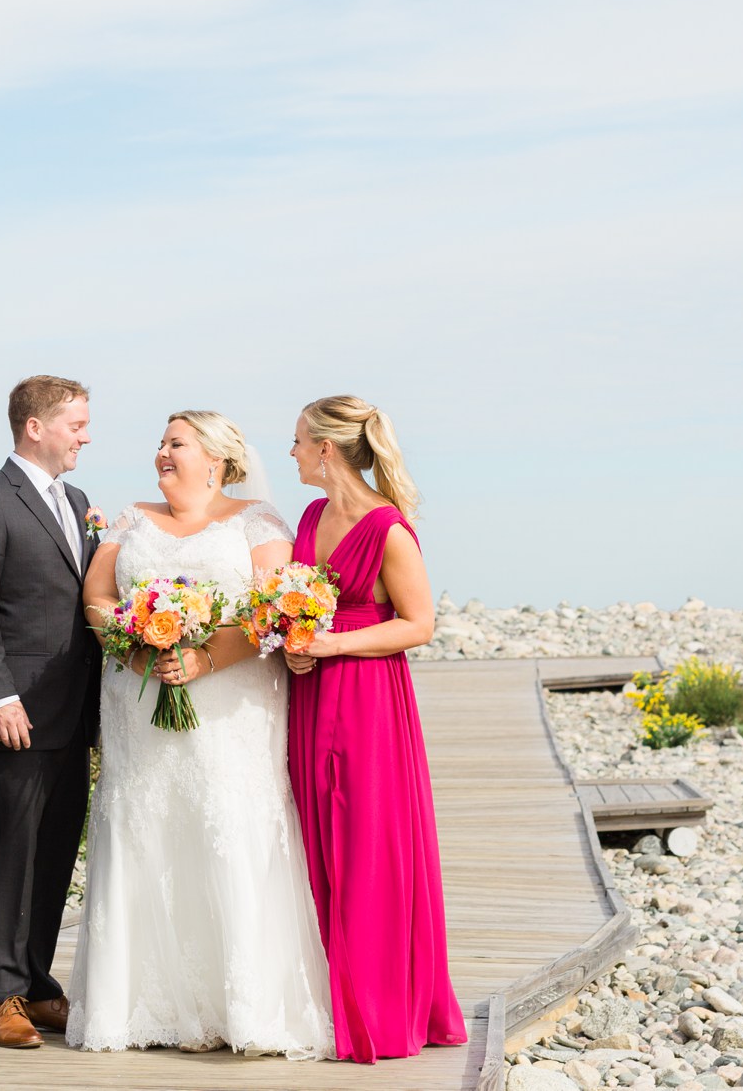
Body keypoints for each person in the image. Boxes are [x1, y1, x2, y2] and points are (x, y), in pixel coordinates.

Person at [67, 411, 333, 1059]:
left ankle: (239, 1007)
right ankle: (137, 1006)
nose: (161, 452)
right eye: (160, 442)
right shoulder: (129, 519)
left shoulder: (257, 522)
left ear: (215, 457)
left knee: (224, 827)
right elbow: (97, 599)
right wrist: (136, 647)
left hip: (229, 707)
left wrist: (203, 657)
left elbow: (272, 608)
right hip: (140, 698)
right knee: (147, 828)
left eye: (175, 443)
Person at [282, 395, 466, 1062]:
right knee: (314, 838)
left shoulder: (389, 528)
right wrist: (295, 643)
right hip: (308, 698)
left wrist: (330, 646)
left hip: (367, 704)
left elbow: (418, 623)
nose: (294, 452)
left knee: (367, 843)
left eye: (299, 441)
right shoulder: (309, 515)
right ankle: (329, 1000)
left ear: (326, 449)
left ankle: (382, 1008)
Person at [0, 376, 102, 1049]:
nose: (85, 436)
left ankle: (36, 982)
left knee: (52, 856)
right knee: (8, 856)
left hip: (73, 715)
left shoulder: (78, 501)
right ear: (35, 427)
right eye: (75, 423)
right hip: (12, 715)